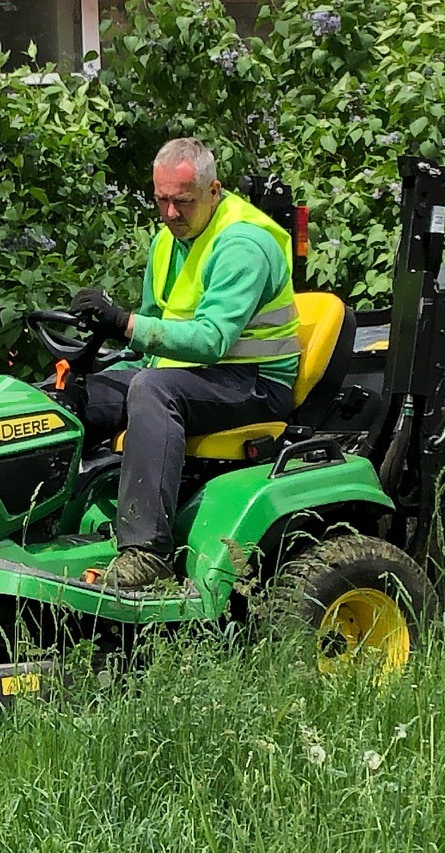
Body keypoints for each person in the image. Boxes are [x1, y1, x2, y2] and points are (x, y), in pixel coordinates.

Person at [68, 137, 300, 590]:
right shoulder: (166, 241)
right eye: (162, 201)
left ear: (214, 192)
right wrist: (96, 357)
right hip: (189, 373)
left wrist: (123, 321)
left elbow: (213, 340)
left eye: (183, 202)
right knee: (71, 395)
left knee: (151, 391)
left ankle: (145, 553)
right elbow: (153, 332)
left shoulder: (242, 245)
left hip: (252, 383)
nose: (171, 213)